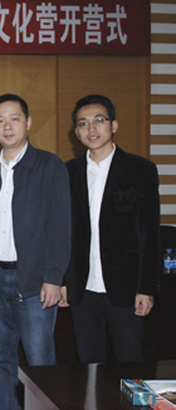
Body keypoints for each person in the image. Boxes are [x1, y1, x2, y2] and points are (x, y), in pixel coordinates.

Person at [0, 94, 71, 410]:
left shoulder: (49, 166)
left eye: (14, 118)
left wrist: (54, 277)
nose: (7, 126)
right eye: (0, 120)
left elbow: (61, 227)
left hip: (33, 281)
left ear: (28, 123)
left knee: (39, 360)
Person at [60, 94, 160, 363]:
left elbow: (150, 233)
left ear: (113, 125)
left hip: (126, 288)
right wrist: (63, 281)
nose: (91, 128)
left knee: (130, 364)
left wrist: (147, 287)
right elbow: (62, 233)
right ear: (76, 132)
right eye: (83, 123)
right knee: (88, 365)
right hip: (82, 288)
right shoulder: (67, 172)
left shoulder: (141, 170)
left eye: (99, 120)